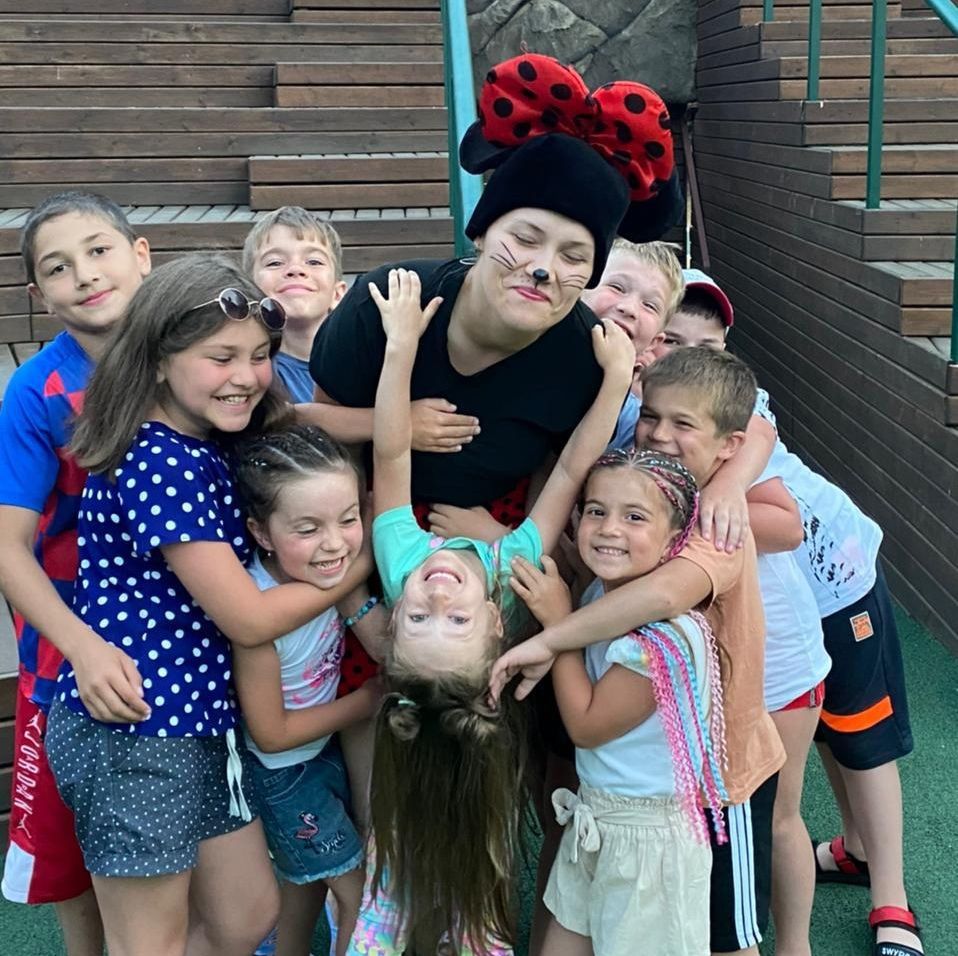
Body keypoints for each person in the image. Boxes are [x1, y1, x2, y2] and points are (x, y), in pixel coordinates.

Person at [43, 254, 373, 956]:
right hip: (137, 727)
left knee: (245, 914)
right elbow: (247, 619)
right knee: (148, 942)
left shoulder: (206, 440)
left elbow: (297, 414)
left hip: (199, 721)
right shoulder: (159, 459)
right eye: (221, 357)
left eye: (259, 356)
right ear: (159, 361)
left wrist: (394, 423)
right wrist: (366, 559)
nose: (247, 376)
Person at [351, 266, 634, 956]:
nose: (435, 597)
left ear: (396, 612)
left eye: (418, 619)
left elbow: (391, 449)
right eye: (455, 620)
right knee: (473, 880)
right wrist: (616, 382)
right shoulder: (515, 566)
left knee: (418, 879)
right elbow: (570, 471)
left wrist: (400, 347)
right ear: (496, 621)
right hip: (477, 765)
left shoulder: (400, 559)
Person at [492, 347, 794, 956]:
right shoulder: (645, 505)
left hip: (716, 784)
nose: (657, 433)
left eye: (681, 424)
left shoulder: (714, 527)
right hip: (627, 792)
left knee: (726, 937)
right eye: (650, 416)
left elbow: (662, 595)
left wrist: (555, 632)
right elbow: (755, 429)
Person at [656, 271, 923, 956]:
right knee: (817, 737)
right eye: (670, 339)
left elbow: (775, 494)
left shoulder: (736, 407)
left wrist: (712, 492)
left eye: (708, 345)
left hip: (837, 581)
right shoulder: (654, 410)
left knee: (860, 735)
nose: (687, 355)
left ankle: (892, 897)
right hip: (773, 603)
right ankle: (855, 848)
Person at [0, 190, 152, 956]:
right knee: (69, 863)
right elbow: (7, 547)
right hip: (65, 664)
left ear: (141, 255)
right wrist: (82, 649)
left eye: (98, 250)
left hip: (187, 645)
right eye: (59, 268)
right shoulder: (36, 392)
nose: (85, 274)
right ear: (39, 295)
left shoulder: (194, 355)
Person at [509, 450, 726, 956]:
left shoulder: (665, 638)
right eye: (596, 511)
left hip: (650, 844)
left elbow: (587, 726)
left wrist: (558, 626)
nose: (609, 528)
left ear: (674, 538)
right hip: (597, 821)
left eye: (634, 517)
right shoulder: (598, 598)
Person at [233, 424, 387, 956]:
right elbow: (270, 733)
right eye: (308, 528)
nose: (334, 543)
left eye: (348, 519)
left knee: (305, 887)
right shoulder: (256, 611)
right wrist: (364, 703)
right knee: (358, 894)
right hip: (283, 775)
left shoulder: (320, 573)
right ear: (261, 532)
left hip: (316, 756)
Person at [243, 206, 347, 403]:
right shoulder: (248, 370)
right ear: (250, 291)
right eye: (274, 262)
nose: (296, 269)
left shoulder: (367, 360)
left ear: (338, 294)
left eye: (314, 262)